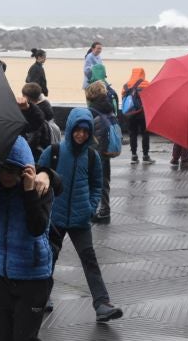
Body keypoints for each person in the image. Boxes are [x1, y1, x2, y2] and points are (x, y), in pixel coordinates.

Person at [0, 137, 62, 341]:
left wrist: (31, 189)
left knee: (24, 340)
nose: (6, 177)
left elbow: (38, 226)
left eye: (12, 170)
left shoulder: (39, 189)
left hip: (33, 276)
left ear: (24, 170)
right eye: (2, 170)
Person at [38, 107, 123, 322]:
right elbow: (39, 177)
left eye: (85, 131)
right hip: (55, 217)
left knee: (90, 260)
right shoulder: (54, 152)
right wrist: (44, 206)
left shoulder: (92, 157)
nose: (81, 135)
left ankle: (102, 304)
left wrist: (90, 207)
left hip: (80, 219)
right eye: (78, 130)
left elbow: (97, 185)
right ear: (71, 128)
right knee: (47, 259)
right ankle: (41, 297)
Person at [86, 82, 116, 224]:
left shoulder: (92, 110)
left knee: (93, 181)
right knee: (104, 181)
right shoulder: (109, 108)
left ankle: (98, 211)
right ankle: (105, 210)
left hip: (94, 151)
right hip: (107, 150)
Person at [122, 67, 155, 165]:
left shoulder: (125, 86)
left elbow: (124, 99)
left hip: (130, 113)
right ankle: (145, 156)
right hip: (142, 113)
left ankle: (134, 156)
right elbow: (151, 97)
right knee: (145, 133)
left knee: (132, 134)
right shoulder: (145, 83)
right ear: (142, 74)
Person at [19, 82, 55, 162]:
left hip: (33, 156)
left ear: (25, 97)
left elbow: (32, 140)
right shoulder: (47, 109)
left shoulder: (35, 118)